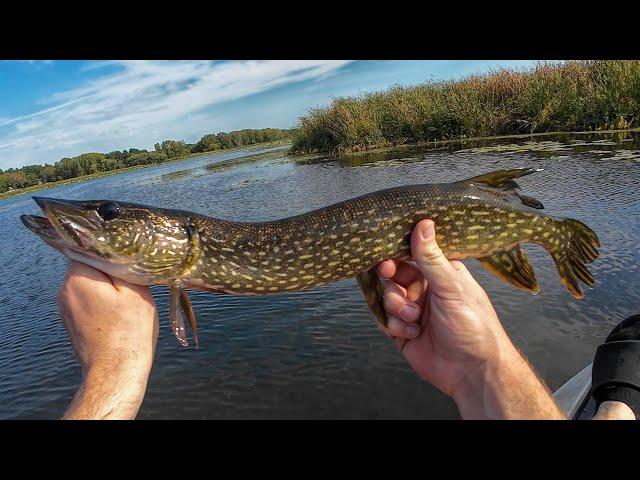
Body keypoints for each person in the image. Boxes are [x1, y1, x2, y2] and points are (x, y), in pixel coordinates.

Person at [58, 220, 637, 420]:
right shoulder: (190, 260)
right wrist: (481, 366)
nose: (97, 222)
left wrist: (114, 365)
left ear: (182, 240)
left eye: (109, 217)